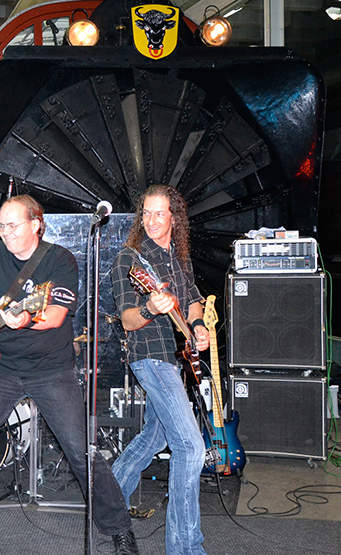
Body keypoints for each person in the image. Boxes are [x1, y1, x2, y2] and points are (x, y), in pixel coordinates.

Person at [0, 195, 138, 555]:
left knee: (81, 452)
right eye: (1, 225)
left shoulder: (60, 259)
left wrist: (26, 319)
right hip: (3, 368)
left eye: (13, 225)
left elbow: (56, 315)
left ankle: (119, 528)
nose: (6, 232)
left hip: (51, 370)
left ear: (36, 224)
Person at [110, 184, 210, 555]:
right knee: (191, 447)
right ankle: (185, 548)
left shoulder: (179, 257)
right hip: (150, 357)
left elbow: (193, 299)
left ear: (174, 217)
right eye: (146, 213)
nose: (151, 220)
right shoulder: (130, 259)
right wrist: (151, 307)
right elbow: (128, 320)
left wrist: (197, 327)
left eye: (159, 213)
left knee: (155, 438)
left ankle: (107, 504)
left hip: (174, 358)